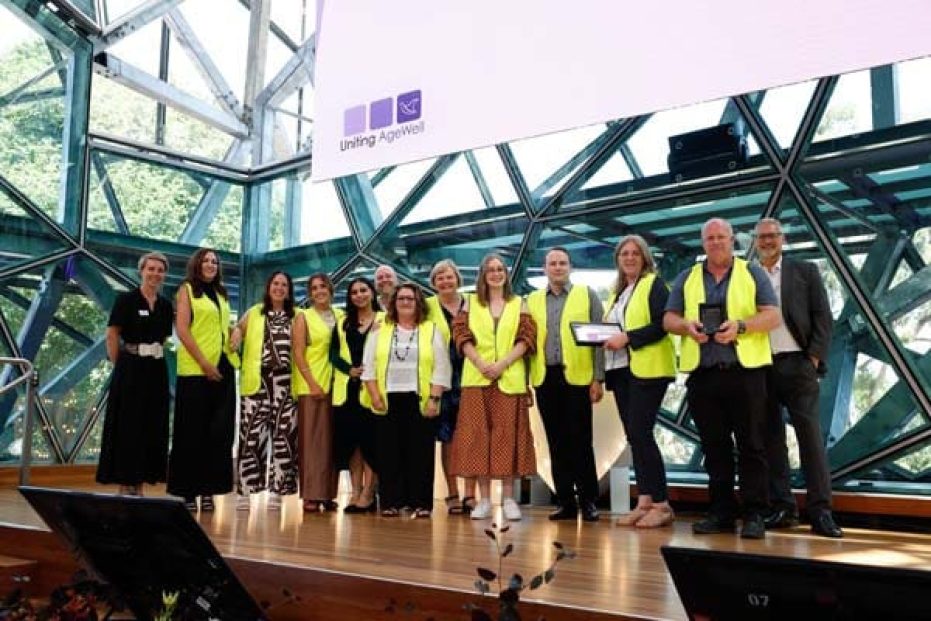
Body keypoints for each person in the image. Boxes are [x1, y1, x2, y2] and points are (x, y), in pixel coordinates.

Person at [663, 218, 781, 539]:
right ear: (703, 244)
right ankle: (721, 512)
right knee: (714, 448)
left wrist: (740, 326)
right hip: (703, 376)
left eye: (721, 237)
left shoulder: (751, 271)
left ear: (733, 240)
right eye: (710, 238)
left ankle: (755, 513)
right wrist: (686, 326)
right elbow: (668, 319)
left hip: (746, 373)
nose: (716, 242)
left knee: (752, 447)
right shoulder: (687, 277)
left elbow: (773, 315)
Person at [754, 218, 842, 538]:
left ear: (782, 238)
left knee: (811, 440)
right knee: (772, 442)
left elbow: (823, 315)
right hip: (760, 367)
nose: (767, 241)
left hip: (797, 365)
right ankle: (783, 508)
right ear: (754, 241)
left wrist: (813, 358)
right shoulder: (748, 275)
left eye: (772, 236)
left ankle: (821, 512)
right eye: (761, 237)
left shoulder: (805, 270)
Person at [450, 254, 537, 522]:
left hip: (509, 379)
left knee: (507, 437)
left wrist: (502, 364)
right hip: (476, 379)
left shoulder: (518, 303)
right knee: (478, 438)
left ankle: (508, 498)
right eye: (491, 270)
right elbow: (460, 334)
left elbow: (526, 337)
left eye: (500, 269)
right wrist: (480, 362)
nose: (496, 274)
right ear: (482, 274)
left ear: (506, 274)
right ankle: (485, 499)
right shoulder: (470, 302)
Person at [603, 236, 677, 528]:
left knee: (641, 432)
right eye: (625, 254)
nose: (630, 258)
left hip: (649, 369)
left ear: (645, 257)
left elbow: (663, 323)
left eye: (635, 253)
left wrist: (628, 338)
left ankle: (662, 504)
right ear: (618, 259)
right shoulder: (619, 293)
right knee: (634, 436)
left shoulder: (654, 285)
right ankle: (645, 500)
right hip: (622, 370)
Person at [527, 247, 605, 522]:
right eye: (552, 263)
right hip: (546, 378)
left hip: (579, 379)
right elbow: (526, 342)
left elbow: (600, 340)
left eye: (562, 263)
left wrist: (598, 378)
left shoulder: (587, 295)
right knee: (556, 442)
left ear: (570, 267)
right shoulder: (532, 300)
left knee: (581, 441)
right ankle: (565, 502)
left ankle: (588, 501)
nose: (558, 267)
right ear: (544, 269)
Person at [362, 283, 451, 518]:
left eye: (410, 299)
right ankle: (391, 502)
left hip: (420, 399)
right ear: (394, 303)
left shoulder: (431, 330)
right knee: (388, 453)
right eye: (401, 298)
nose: (405, 302)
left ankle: (421, 503)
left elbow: (442, 367)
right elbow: (368, 365)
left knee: (420, 453)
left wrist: (434, 399)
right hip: (386, 399)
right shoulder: (379, 330)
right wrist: (374, 396)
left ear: (418, 302)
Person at [96, 252, 173, 497]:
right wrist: (120, 367)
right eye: (151, 268)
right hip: (130, 367)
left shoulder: (165, 305)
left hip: (156, 370)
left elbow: (163, 337)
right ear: (142, 271)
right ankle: (124, 484)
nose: (155, 273)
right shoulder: (126, 300)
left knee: (150, 425)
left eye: (160, 270)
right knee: (128, 426)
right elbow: (112, 335)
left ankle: (140, 484)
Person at [168, 248, 237, 511]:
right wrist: (204, 363)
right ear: (196, 264)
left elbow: (221, 326)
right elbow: (183, 330)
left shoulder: (221, 293)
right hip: (196, 371)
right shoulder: (186, 290)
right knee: (191, 431)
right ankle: (188, 491)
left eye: (215, 262)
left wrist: (234, 333)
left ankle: (209, 489)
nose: (211, 264)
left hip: (223, 367)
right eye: (206, 261)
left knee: (218, 433)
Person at [229, 271, 299, 512]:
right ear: (269, 287)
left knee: (284, 438)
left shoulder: (297, 316)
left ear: (289, 290)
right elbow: (236, 331)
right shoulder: (255, 312)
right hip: (256, 383)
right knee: (251, 436)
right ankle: (246, 492)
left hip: (286, 384)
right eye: (275, 283)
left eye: (284, 284)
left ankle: (277, 492)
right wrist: (237, 331)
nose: (279, 288)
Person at [425, 259, 477, 515]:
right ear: (434, 284)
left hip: (472, 377)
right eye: (440, 278)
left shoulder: (475, 302)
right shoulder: (427, 306)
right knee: (447, 439)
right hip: (442, 380)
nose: (445, 281)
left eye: (449, 277)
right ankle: (452, 493)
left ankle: (471, 494)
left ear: (458, 278)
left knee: (471, 437)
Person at [330, 277, 380, 513]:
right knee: (353, 444)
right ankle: (355, 491)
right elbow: (332, 354)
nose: (359, 295)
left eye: (363, 290)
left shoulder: (384, 319)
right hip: (348, 391)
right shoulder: (342, 322)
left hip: (373, 390)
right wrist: (347, 369)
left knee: (372, 443)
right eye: (354, 292)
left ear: (372, 292)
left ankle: (369, 493)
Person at [293, 273, 342, 513]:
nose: (319, 291)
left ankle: (327, 493)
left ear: (331, 289)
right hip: (312, 386)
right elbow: (299, 353)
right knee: (312, 443)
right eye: (314, 288)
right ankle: (311, 494)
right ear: (310, 293)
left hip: (337, 386)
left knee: (331, 443)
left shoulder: (340, 315)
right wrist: (311, 383)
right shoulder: (304, 317)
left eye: (323, 286)